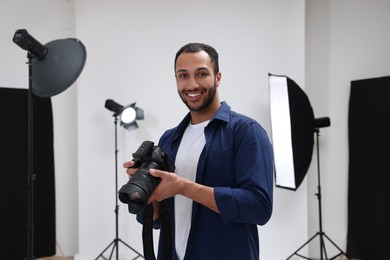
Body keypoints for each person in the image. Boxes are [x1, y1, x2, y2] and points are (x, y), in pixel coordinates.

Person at [123, 43, 274, 260]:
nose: (192, 84)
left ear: (218, 77)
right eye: (183, 75)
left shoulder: (246, 132)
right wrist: (146, 187)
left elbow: (259, 207)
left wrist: (183, 187)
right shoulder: (169, 138)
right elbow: (157, 218)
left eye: (201, 74)